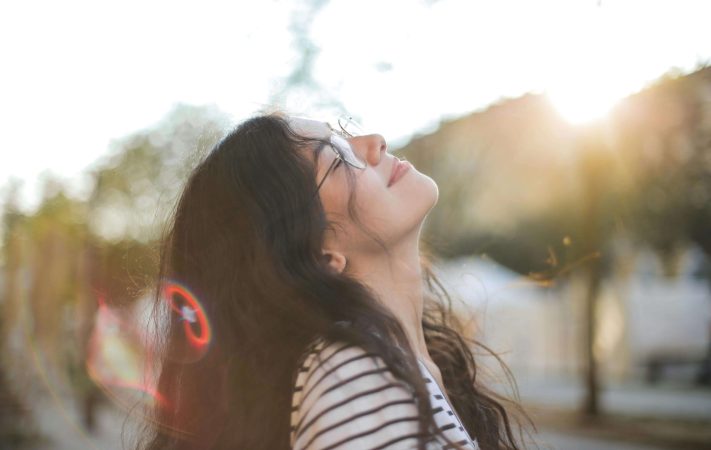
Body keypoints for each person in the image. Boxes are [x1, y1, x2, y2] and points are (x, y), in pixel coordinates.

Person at [135, 113, 534, 450]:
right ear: (318, 253)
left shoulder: (396, 367)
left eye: (344, 135)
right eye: (339, 158)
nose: (374, 143)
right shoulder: (354, 370)